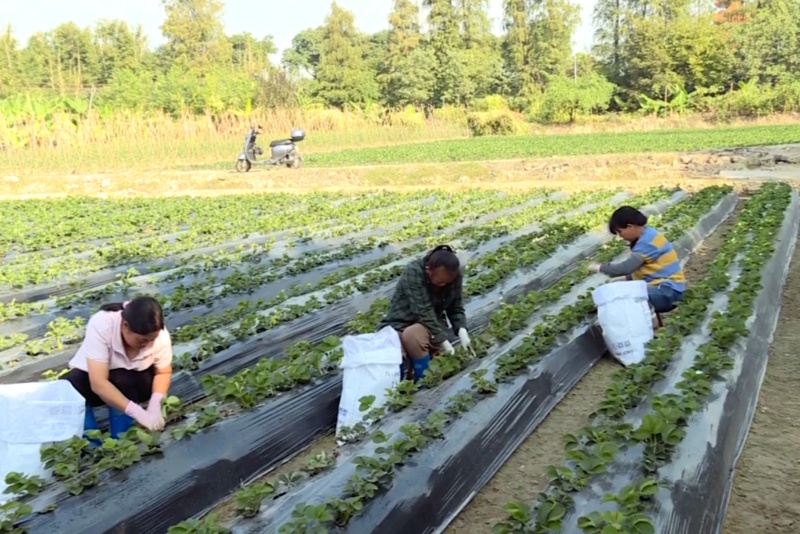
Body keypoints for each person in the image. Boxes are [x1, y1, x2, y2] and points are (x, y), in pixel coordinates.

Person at [61, 296, 173, 440]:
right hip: (101, 382)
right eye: (142, 340)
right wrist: (138, 413)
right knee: (70, 386)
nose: (148, 343)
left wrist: (155, 403)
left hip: (138, 383)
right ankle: (91, 444)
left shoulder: (161, 337)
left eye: (152, 339)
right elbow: (98, 383)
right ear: (125, 326)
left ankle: (123, 439)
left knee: (122, 379)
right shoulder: (102, 324)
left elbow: (164, 372)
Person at [379, 245, 471, 383]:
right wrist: (443, 341)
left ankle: (424, 378)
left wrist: (462, 330)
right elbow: (423, 310)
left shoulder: (454, 276)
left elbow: (456, 307)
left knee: (413, 335)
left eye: (448, 282)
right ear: (429, 270)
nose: (444, 285)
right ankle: (404, 381)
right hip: (400, 322)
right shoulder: (413, 272)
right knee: (391, 346)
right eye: (440, 282)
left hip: (428, 325)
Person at [589, 206, 685, 327]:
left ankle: (652, 326)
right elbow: (648, 270)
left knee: (627, 298)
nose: (620, 236)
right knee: (619, 289)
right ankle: (653, 324)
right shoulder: (648, 233)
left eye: (620, 231)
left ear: (630, 226)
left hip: (669, 292)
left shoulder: (647, 243)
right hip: (662, 287)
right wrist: (625, 279)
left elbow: (625, 268)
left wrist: (599, 267)